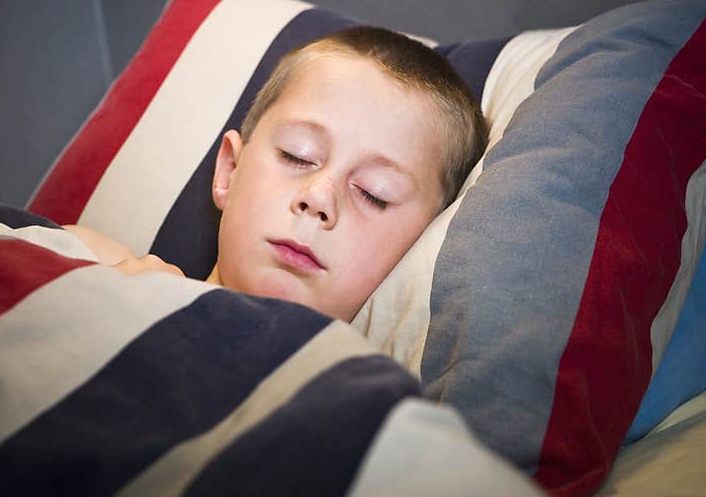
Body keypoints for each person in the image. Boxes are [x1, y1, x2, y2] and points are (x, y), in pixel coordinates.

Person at [67, 26, 488, 322]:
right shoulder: (84, 259)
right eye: (297, 155)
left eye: (373, 193)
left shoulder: (365, 412)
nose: (319, 196)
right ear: (229, 171)